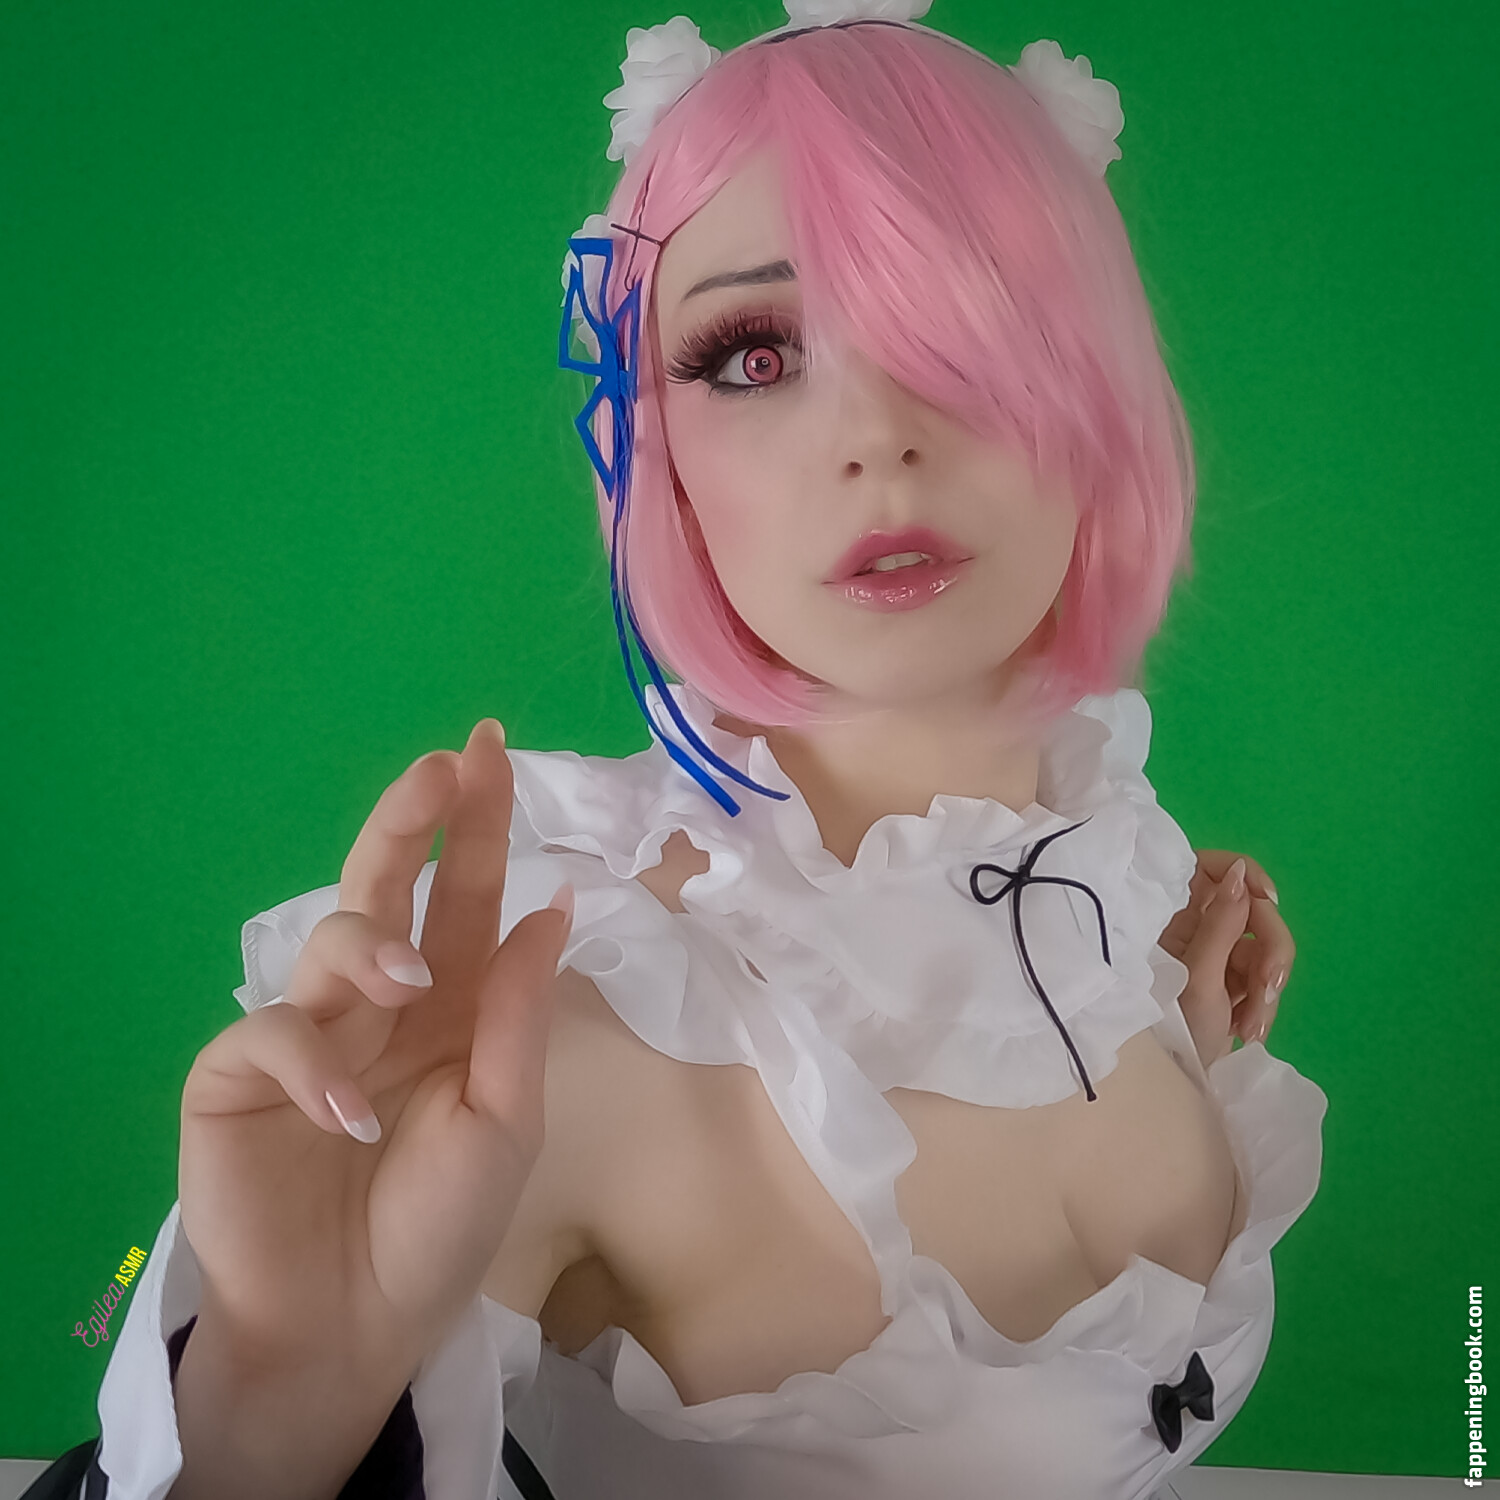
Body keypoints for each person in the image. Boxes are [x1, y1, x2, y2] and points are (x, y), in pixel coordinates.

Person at [70, 5, 1327, 1499]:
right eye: (754, 353)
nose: (879, 430)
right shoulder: (560, 1040)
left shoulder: (1115, 887)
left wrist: (1159, 986)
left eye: (963, 316)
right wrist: (282, 1392)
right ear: (651, 442)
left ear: (1094, 382)